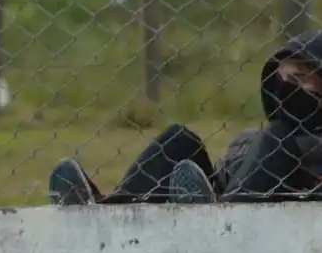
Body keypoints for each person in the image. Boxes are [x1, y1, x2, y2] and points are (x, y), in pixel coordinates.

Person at [50, 33, 322, 206]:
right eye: (281, 79)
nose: (286, 87)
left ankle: (218, 218)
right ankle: (113, 211)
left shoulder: (280, 138)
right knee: (178, 140)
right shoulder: (263, 136)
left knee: (277, 137)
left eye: (299, 78)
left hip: (251, 221)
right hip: (229, 193)